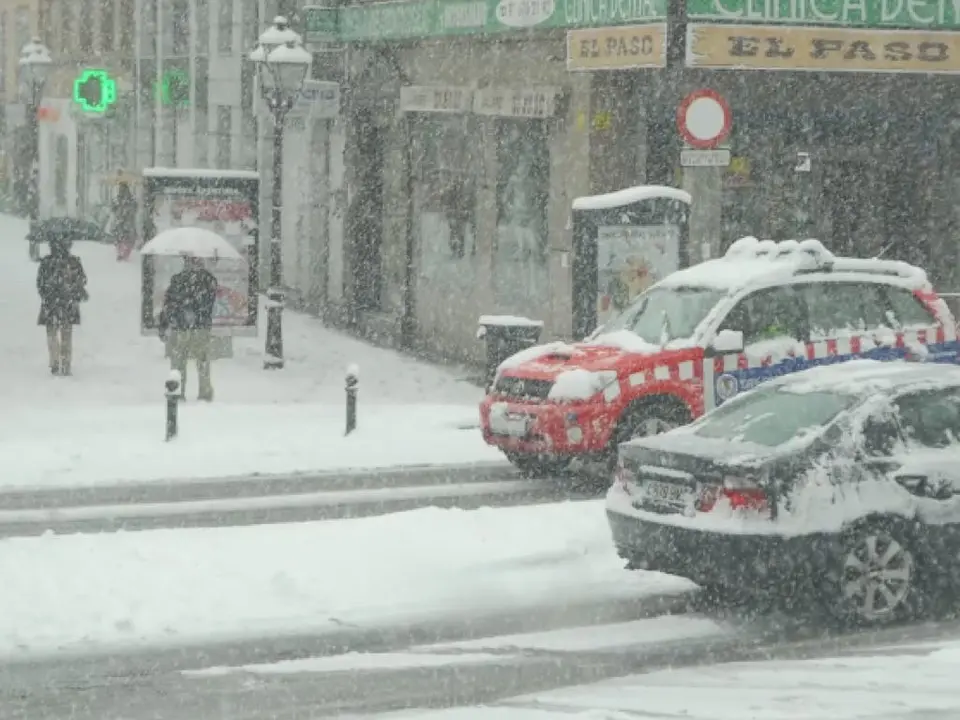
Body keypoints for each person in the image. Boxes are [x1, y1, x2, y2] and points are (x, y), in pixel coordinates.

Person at [157, 254, 219, 401]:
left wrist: (169, 320)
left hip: (181, 326)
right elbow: (209, 303)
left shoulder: (177, 279)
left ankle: (177, 391)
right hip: (200, 326)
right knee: (202, 361)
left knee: (178, 362)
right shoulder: (208, 279)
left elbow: (168, 304)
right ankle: (205, 393)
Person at [37, 233, 88, 376]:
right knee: (66, 334)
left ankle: (54, 362)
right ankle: (65, 363)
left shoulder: (46, 262)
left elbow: (40, 283)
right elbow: (82, 280)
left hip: (51, 303)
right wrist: (73, 292)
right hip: (68, 303)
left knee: (52, 333)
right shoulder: (73, 262)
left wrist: (46, 296)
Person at [112, 179, 138, 261]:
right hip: (124, 224)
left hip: (125, 224)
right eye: (120, 188)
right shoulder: (121, 199)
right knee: (125, 239)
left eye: (121, 188)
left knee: (123, 239)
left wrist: (124, 211)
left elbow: (133, 209)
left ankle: (122, 255)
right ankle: (123, 255)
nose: (120, 190)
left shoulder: (124, 199)